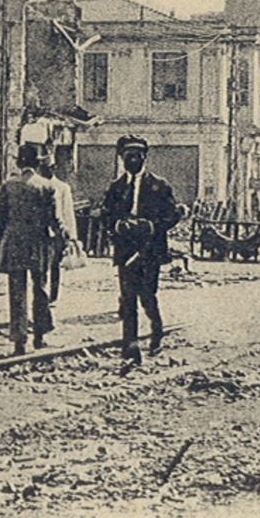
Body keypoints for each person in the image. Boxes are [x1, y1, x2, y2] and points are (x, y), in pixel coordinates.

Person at [101, 135, 181, 368]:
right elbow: (106, 214)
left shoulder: (159, 185)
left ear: (144, 158)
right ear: (121, 159)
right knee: (127, 299)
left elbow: (172, 214)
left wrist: (151, 225)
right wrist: (117, 224)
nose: (132, 160)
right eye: (127, 156)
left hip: (150, 249)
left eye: (136, 156)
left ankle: (156, 329)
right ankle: (131, 347)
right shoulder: (116, 187)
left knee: (147, 295)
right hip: (126, 249)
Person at [0, 143, 61, 355]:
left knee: (16, 292)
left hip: (13, 243)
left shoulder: (8, 185)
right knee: (40, 288)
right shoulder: (46, 186)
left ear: (19, 162)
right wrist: (63, 237)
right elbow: (54, 219)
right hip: (38, 242)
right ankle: (39, 336)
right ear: (38, 163)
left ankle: (19, 341)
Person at [37, 153, 79, 303]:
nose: (42, 171)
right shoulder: (37, 185)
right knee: (41, 265)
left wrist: (71, 235)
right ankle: (41, 293)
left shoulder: (62, 187)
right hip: (41, 232)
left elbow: (68, 211)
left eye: (46, 168)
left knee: (55, 264)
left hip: (57, 232)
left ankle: (53, 295)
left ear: (53, 168)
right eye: (41, 168)